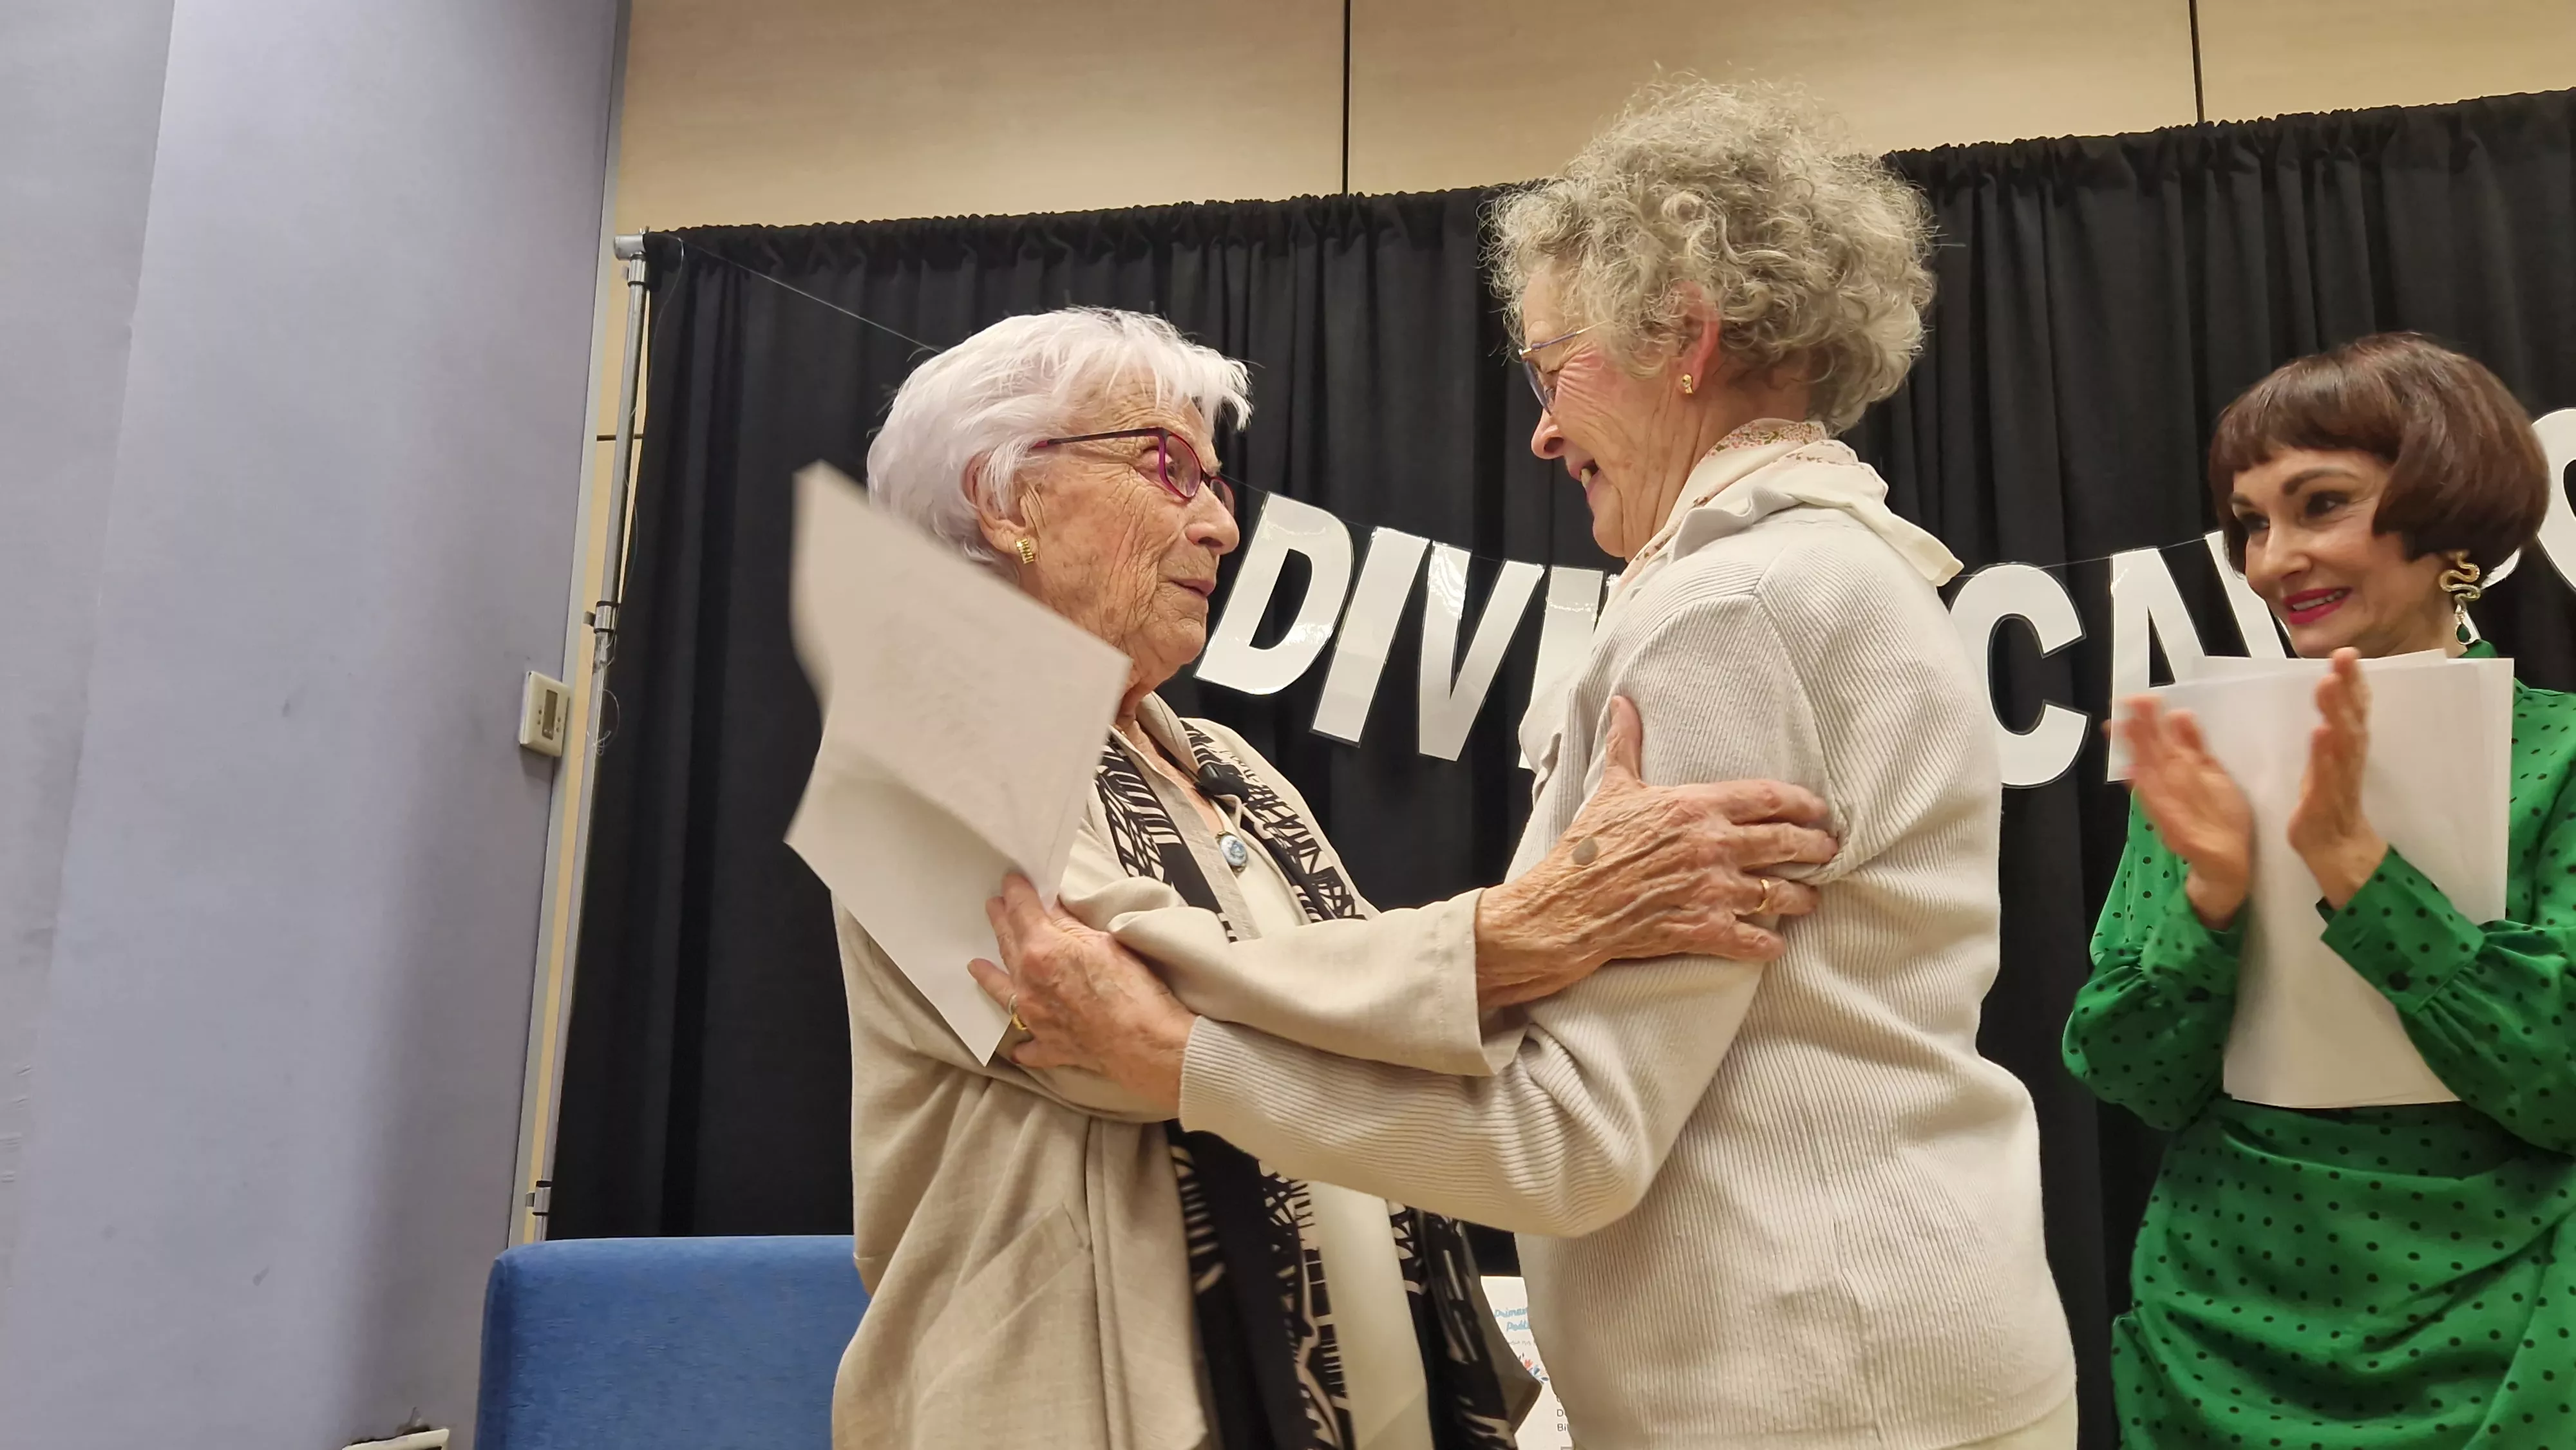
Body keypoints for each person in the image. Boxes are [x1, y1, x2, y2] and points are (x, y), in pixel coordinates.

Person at [983, 82, 2078, 1450]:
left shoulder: (1734, 605)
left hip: (1811, 1389)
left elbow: (1568, 1137)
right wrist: (1516, 937)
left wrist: (1180, 1057)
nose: (1542, 433)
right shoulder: (1826, 570)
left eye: (1555, 367)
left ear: (1682, 337)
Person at [833, 305, 1842, 1450]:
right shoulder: (902, 749)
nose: (1220, 524)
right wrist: (1527, 927)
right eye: (1168, 467)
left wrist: (1530, 943)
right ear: (1007, 498)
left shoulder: (1223, 762)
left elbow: (1373, 1026)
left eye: (1218, 482)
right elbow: (1122, 1044)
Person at [2064, 332, 2576, 1445]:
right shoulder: (2218, 751)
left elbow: (2563, 1078)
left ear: (2453, 507)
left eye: (2320, 504)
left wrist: (2358, 868)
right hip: (2212, 1331)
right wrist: (2211, 898)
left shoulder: (2567, 754)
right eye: (2252, 521)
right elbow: (2126, 1072)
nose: (2269, 560)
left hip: (2502, 1338)